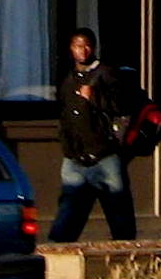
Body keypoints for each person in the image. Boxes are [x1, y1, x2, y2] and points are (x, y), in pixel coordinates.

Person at [49, 27, 142, 243]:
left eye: (88, 45)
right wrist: (66, 143)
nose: (83, 50)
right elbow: (64, 113)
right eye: (78, 45)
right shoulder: (68, 78)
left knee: (118, 210)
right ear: (71, 49)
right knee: (69, 208)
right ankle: (58, 253)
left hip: (104, 156)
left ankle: (126, 254)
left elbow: (122, 106)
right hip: (74, 156)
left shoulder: (106, 73)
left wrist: (94, 97)